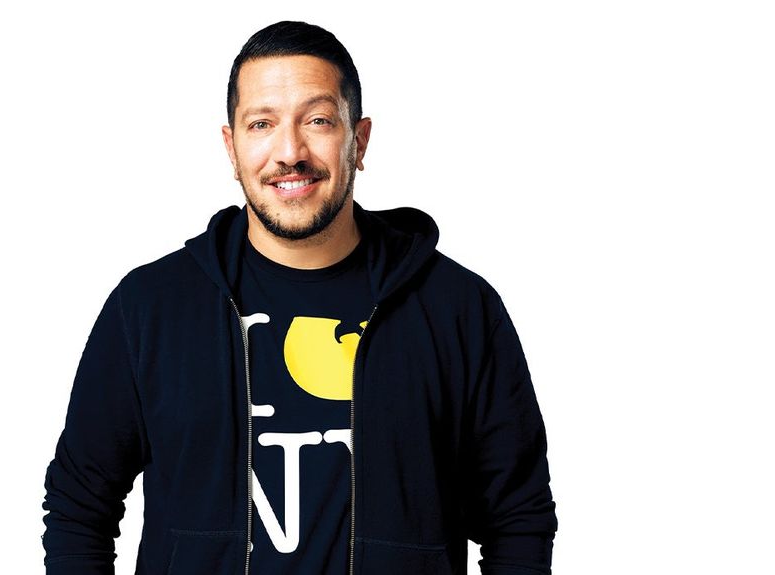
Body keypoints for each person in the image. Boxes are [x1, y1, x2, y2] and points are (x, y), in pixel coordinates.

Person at [41, 20, 557, 575]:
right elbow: (80, 506)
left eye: (317, 120)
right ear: (231, 148)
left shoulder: (459, 309)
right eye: (261, 124)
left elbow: (517, 520)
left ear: (359, 140)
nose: (289, 152)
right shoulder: (149, 308)